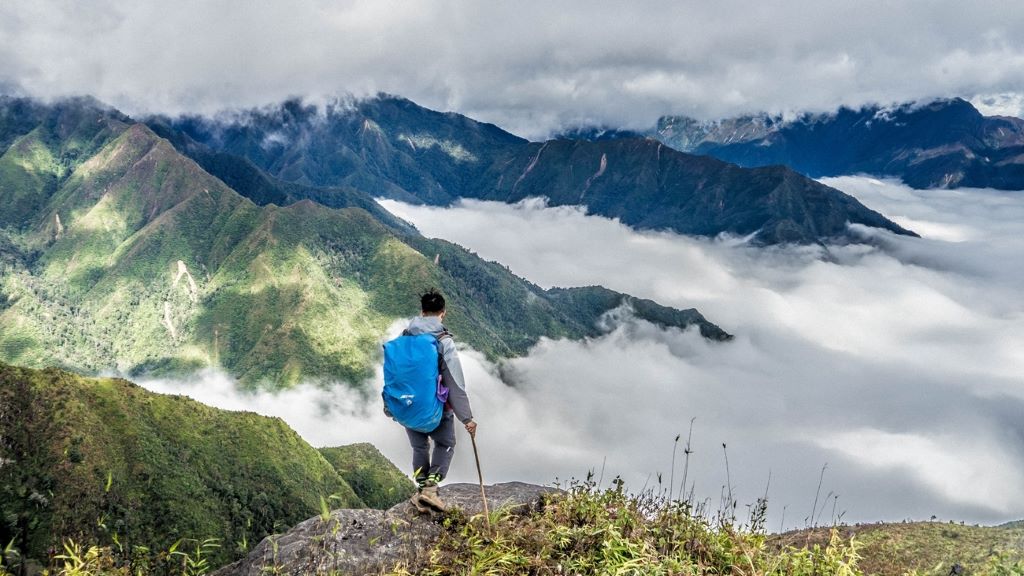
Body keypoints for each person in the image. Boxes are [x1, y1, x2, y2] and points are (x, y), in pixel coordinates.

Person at [390, 288, 476, 512]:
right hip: (437, 409)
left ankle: (420, 491)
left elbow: (395, 375)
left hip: (408, 407)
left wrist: (391, 405)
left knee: (419, 446)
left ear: (422, 311)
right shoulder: (443, 341)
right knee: (446, 443)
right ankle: (430, 489)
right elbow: (454, 381)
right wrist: (467, 418)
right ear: (443, 313)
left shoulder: (404, 337)